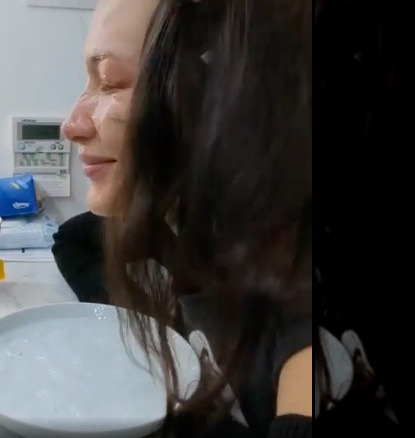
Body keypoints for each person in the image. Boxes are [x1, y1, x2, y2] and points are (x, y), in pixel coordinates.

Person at [58, 0, 312, 436]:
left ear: (222, 101)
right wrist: (145, 331)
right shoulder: (178, 223)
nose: (71, 125)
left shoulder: (292, 294)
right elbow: (74, 239)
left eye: (110, 83)